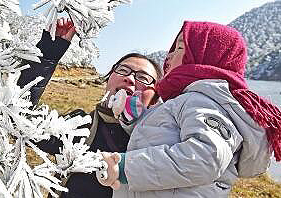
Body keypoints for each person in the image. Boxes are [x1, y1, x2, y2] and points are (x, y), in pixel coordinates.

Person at [98, 21, 281, 197]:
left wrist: (124, 168)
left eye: (179, 48)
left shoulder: (204, 101)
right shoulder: (184, 101)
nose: (168, 56)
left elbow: (206, 157)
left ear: (206, 56)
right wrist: (135, 119)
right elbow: (161, 135)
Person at [17, 18, 163, 198]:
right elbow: (21, 119)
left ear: (156, 98)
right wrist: (48, 54)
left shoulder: (163, 142)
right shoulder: (81, 127)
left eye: (143, 77)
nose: (130, 79)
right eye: (123, 70)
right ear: (109, 80)